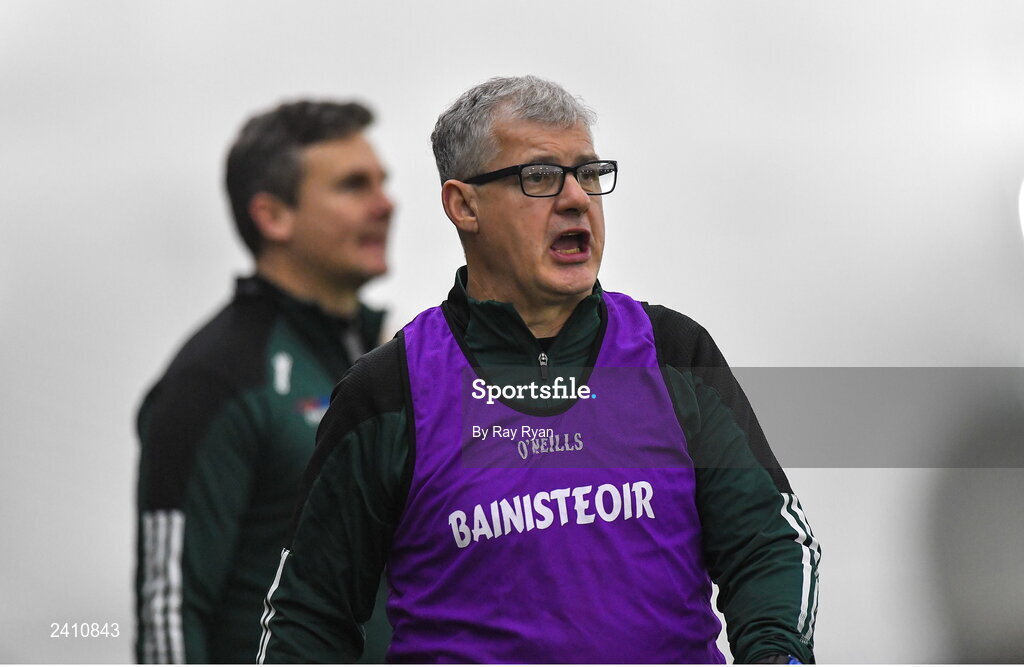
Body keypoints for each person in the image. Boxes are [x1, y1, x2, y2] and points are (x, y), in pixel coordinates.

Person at [257, 76, 820, 664]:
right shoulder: (387, 391)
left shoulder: (674, 352)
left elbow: (770, 545)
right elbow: (308, 619)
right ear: (464, 205)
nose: (577, 198)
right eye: (541, 177)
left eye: (589, 173)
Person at [135, 100, 395, 663]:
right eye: (354, 186)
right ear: (273, 217)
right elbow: (170, 613)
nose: (385, 204)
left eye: (382, 182)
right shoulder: (213, 379)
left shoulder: (387, 364)